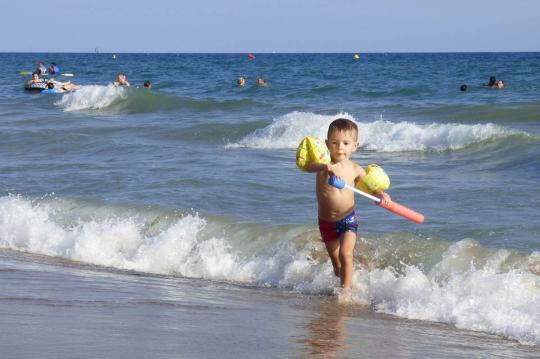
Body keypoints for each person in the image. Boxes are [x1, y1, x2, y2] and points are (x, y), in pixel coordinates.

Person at [304, 118, 391, 291]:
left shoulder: (355, 169)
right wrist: (323, 167)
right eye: (335, 143)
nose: (340, 147)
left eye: (345, 143)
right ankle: (346, 280)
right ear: (327, 144)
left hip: (348, 219)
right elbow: (307, 167)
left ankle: (345, 292)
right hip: (326, 222)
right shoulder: (323, 166)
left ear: (355, 146)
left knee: (346, 254)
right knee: (337, 266)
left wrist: (380, 194)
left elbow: (368, 187)